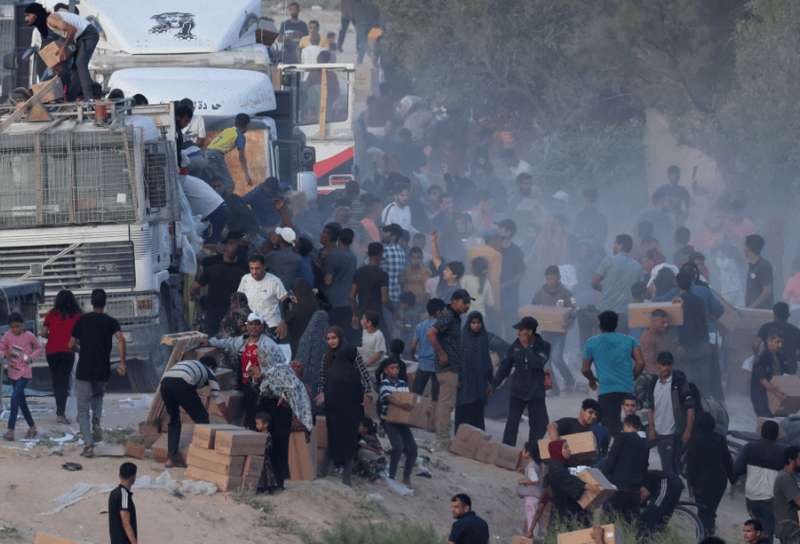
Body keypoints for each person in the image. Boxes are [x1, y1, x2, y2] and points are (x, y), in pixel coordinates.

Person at [203, 313, 287, 430]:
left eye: (257, 324)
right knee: (247, 415)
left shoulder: (269, 345)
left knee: (259, 418)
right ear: (247, 326)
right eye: (251, 324)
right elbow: (226, 342)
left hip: (261, 390)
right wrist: (210, 343)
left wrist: (262, 371)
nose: (254, 327)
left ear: (262, 327)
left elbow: (281, 367)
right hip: (245, 386)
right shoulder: (242, 341)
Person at [68, 289, 125, 458]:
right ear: (105, 303)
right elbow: (121, 339)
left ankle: (88, 445)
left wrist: (80, 349)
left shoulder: (82, 320)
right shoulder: (111, 321)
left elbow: (70, 344)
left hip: (85, 368)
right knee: (98, 397)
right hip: (102, 369)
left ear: (91, 303)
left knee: (83, 408)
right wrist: (122, 362)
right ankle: (97, 421)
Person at [581, 310, 645, 436]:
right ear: (616, 325)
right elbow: (641, 363)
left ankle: (610, 452)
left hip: (607, 391)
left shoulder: (592, 342)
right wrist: (631, 378)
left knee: (608, 427)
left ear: (600, 326)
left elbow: (585, 369)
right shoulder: (630, 340)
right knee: (632, 424)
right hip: (627, 389)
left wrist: (592, 379)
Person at [159, 357, 231, 467]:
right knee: (202, 420)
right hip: (182, 383)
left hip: (165, 383)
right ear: (211, 367)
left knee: (174, 420)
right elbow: (218, 399)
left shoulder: (189, 363)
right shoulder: (209, 371)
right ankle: (202, 459)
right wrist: (229, 421)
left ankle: (171, 459)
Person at [490, 317, 551, 446]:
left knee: (539, 424)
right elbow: (505, 365)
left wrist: (527, 348)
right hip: (518, 392)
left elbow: (537, 364)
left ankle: (532, 451)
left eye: (521, 330)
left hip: (536, 393)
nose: (518, 333)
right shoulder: (516, 345)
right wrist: (495, 383)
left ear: (529, 331)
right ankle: (507, 451)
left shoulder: (544, 346)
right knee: (512, 424)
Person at [25, 3, 99, 102]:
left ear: (35, 15)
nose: (26, 19)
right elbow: (70, 32)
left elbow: (72, 29)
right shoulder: (48, 22)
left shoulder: (50, 19)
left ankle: (89, 99)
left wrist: (64, 47)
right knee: (75, 69)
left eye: (27, 15)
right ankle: (71, 100)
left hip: (88, 34)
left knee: (81, 63)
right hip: (82, 37)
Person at [428, 290, 472, 439]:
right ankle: (442, 437)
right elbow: (430, 333)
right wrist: (441, 353)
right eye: (464, 302)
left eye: (468, 303)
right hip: (446, 367)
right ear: (455, 301)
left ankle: (441, 435)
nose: (467, 305)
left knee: (444, 402)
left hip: (451, 367)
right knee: (446, 404)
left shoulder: (454, 317)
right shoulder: (448, 314)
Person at [733, 420, 786, 544]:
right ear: (777, 435)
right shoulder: (783, 452)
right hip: (770, 499)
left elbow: (736, 469)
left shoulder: (749, 447)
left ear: (761, 433)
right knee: (767, 532)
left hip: (751, 498)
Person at [685, 411, 736, 536]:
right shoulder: (720, 439)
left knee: (703, 513)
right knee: (710, 512)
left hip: (701, 483)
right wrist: (734, 480)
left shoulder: (694, 440)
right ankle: (707, 536)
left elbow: (690, 467)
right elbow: (728, 461)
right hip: (719, 482)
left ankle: (703, 537)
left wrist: (691, 489)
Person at [320, 346, 365, 486]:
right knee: (350, 445)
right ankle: (346, 479)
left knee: (332, 442)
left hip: (333, 415)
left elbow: (327, 392)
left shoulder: (332, 371)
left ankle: (323, 472)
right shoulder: (353, 373)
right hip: (350, 417)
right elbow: (359, 396)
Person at [646, 351, 695, 475]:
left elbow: (690, 408)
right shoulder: (653, 382)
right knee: (639, 451)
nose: (666, 367)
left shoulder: (680, 382)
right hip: (656, 430)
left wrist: (687, 431)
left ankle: (673, 490)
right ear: (658, 365)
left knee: (669, 468)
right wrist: (651, 428)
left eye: (669, 364)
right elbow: (650, 407)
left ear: (672, 365)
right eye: (663, 364)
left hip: (672, 434)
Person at [531, 265, 577, 395]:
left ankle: (569, 380)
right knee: (546, 361)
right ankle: (553, 388)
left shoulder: (566, 293)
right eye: (548, 279)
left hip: (560, 333)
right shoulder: (542, 293)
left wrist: (569, 320)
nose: (550, 281)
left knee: (556, 358)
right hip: (545, 332)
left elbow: (575, 308)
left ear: (559, 278)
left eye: (552, 278)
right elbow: (532, 306)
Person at [41, 289, 82, 424]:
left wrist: (52, 337)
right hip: (67, 351)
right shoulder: (77, 315)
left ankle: (59, 412)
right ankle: (60, 415)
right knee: (63, 382)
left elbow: (43, 332)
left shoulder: (51, 314)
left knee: (56, 381)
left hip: (51, 351)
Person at [590, 234, 645, 334]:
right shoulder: (638, 267)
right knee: (620, 346)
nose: (613, 246)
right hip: (625, 316)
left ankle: (583, 349)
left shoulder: (608, 260)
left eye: (614, 244)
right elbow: (641, 290)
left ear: (620, 246)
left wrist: (601, 289)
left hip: (604, 312)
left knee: (601, 345)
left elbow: (593, 283)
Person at [0, 313, 43, 441]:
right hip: (13, 372)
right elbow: (1, 349)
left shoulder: (29, 336)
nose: (15, 330)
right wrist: (4, 354)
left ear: (22, 324)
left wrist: (31, 357)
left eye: (17, 326)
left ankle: (10, 430)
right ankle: (32, 427)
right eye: (12, 327)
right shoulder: (7, 335)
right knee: (21, 401)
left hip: (24, 372)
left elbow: (39, 347)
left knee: (14, 398)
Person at [191, 243, 246, 335]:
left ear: (223, 253)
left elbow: (195, 286)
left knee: (211, 344)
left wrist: (191, 295)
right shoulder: (242, 275)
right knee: (230, 345)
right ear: (236, 256)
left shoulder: (212, 270)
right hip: (232, 318)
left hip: (212, 317)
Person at [602, 414, 649, 524]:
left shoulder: (621, 437)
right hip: (635, 493)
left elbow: (611, 461)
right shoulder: (645, 445)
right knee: (631, 525)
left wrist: (602, 478)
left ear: (625, 425)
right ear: (638, 427)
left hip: (618, 489)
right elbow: (644, 468)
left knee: (608, 523)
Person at [378, 358, 418, 486]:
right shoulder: (384, 383)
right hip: (389, 421)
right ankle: (392, 475)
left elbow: (408, 399)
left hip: (402, 421)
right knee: (398, 447)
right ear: (385, 370)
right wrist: (403, 405)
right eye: (392, 368)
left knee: (412, 448)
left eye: (397, 368)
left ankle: (406, 477)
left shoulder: (403, 384)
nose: (395, 370)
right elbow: (390, 399)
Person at [546, 440, 603, 526]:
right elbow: (568, 480)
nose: (569, 449)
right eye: (565, 447)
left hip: (574, 508)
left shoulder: (566, 465)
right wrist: (587, 486)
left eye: (568, 447)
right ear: (557, 450)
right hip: (563, 510)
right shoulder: (555, 466)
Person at [455, 312, 494, 433]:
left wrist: (490, 380)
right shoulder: (462, 336)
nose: (476, 325)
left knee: (478, 406)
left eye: (478, 323)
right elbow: (456, 358)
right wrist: (457, 377)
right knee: (465, 406)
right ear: (469, 323)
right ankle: (461, 438)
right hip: (465, 378)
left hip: (480, 379)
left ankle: (476, 439)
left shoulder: (483, 336)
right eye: (473, 323)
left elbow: (487, 358)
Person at [237, 255, 289, 338]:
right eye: (251, 268)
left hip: (271, 326)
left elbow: (286, 301)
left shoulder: (274, 281)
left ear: (264, 267)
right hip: (251, 326)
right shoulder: (245, 279)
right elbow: (239, 301)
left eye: (257, 268)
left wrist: (284, 322)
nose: (254, 272)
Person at [410, 298, 443, 430]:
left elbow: (413, 346)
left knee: (416, 391)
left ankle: (412, 419)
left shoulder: (420, 326)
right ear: (439, 312)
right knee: (435, 394)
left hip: (423, 364)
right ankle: (432, 424)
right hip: (437, 365)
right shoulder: (441, 326)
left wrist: (413, 357)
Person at [351, 242, 393, 341]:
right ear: (381, 255)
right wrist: (393, 311)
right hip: (376, 315)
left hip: (362, 314)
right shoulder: (383, 275)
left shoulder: (358, 272)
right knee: (384, 342)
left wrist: (355, 314)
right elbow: (384, 298)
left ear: (368, 254)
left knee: (363, 342)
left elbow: (352, 296)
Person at [324, 227, 359, 344]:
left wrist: (321, 268)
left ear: (338, 239)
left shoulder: (334, 256)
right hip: (347, 301)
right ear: (351, 241)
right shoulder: (354, 257)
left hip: (333, 302)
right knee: (346, 334)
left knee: (332, 332)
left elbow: (328, 281)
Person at [204, 113, 252, 189]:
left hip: (206, 154)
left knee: (214, 185)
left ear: (235, 123)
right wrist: (247, 175)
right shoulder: (240, 136)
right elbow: (241, 157)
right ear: (247, 125)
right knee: (229, 185)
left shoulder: (228, 130)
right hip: (215, 155)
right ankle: (226, 200)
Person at [496, 218, 527, 334]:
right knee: (495, 329)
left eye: (501, 228)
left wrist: (504, 285)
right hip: (494, 297)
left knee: (510, 329)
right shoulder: (495, 249)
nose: (497, 230)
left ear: (508, 233)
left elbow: (521, 274)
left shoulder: (516, 251)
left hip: (510, 297)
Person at [751, 329, 790, 418]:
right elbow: (762, 380)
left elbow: (785, 375)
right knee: (766, 423)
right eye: (777, 342)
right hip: (762, 399)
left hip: (777, 397)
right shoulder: (761, 357)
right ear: (768, 341)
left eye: (781, 342)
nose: (780, 345)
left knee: (782, 423)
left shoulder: (781, 356)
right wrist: (778, 394)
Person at [467, 229, 504, 317]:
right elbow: (494, 281)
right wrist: (496, 304)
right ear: (492, 240)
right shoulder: (496, 255)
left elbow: (468, 270)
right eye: (500, 241)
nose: (501, 244)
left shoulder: (472, 250)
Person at [755, 303, 800, 375]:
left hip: (770, 367)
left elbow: (755, 345)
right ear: (788, 315)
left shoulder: (766, 327)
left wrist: (757, 357)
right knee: (787, 386)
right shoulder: (796, 331)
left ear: (774, 314)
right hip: (790, 369)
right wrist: (793, 358)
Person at [282, 278, 322, 355]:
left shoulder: (298, 307)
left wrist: (286, 302)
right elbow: (327, 306)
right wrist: (318, 293)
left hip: (299, 344)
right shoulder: (315, 303)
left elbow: (287, 319)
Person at [640, 470, 685, 534]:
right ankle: (660, 538)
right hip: (677, 483)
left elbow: (646, 494)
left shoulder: (637, 480)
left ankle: (645, 537)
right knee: (662, 520)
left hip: (668, 481)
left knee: (649, 515)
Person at [774, 446, 800, 544]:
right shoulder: (785, 478)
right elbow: (798, 500)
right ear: (791, 460)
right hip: (790, 530)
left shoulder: (795, 476)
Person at [109, 462, 138, 544]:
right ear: (133, 478)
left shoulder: (114, 492)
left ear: (119, 475)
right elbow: (126, 523)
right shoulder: (124, 495)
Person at [518, 441, 543, 539]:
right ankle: (537, 539)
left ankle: (532, 539)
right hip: (537, 497)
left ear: (528, 453)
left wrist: (523, 480)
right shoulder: (537, 464)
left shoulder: (531, 466)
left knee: (532, 521)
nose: (522, 451)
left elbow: (535, 480)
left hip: (532, 498)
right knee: (537, 522)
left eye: (523, 449)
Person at [265, 227, 301, 292]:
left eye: (278, 236)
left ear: (280, 240)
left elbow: (260, 261)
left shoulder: (273, 255)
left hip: (273, 293)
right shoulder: (298, 257)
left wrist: (271, 243)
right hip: (288, 294)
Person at [353, 416, 386, 484]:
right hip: (369, 458)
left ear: (365, 429)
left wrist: (367, 447)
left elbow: (379, 452)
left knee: (365, 460)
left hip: (377, 462)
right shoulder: (360, 436)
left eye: (359, 425)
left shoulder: (372, 438)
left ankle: (376, 477)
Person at [746, 234, 775, 310]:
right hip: (752, 311)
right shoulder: (752, 266)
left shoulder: (764, 266)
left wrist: (752, 307)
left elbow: (767, 291)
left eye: (744, 246)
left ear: (748, 249)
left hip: (761, 312)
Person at [638, 309, 671, 375]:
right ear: (654, 322)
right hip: (653, 375)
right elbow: (648, 364)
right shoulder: (647, 338)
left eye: (666, 322)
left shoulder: (662, 333)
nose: (666, 325)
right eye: (663, 323)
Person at [254, 412, 278, 493]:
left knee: (267, 474)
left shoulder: (267, 436)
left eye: (258, 424)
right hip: (260, 457)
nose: (257, 425)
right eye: (256, 424)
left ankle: (269, 488)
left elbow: (269, 447)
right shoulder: (259, 435)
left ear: (265, 424)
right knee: (261, 474)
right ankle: (261, 488)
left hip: (265, 458)